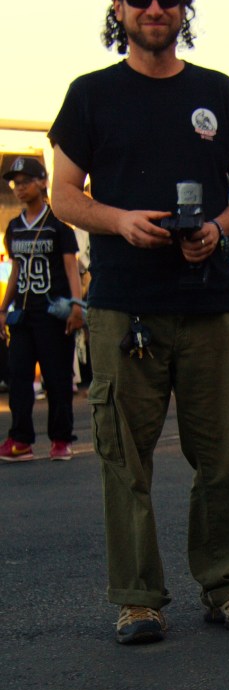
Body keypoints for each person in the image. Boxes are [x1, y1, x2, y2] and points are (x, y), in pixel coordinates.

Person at [49, 0, 229, 644]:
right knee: (125, 459)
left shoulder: (218, 91)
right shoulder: (91, 94)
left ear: (184, 8)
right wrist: (119, 220)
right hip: (124, 307)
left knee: (226, 454)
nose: (155, 9)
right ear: (117, 8)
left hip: (209, 303)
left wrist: (218, 228)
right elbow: (63, 195)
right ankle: (139, 599)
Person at [0, 157, 83, 462]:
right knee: (19, 376)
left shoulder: (57, 225)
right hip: (23, 313)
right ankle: (20, 439)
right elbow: (16, 271)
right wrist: (3, 308)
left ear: (42, 183)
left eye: (26, 182)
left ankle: (61, 438)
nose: (20, 188)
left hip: (52, 312)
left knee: (57, 376)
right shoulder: (14, 227)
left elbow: (71, 267)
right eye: (15, 183)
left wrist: (77, 306)